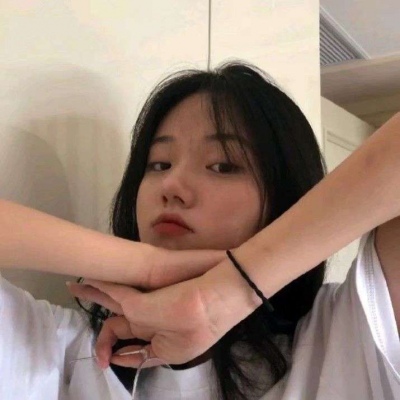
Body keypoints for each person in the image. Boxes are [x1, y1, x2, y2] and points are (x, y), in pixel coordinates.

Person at [0, 61, 398, 400]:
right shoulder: (64, 349)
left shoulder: (346, 335)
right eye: (159, 164)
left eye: (223, 166)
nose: (171, 185)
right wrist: (147, 266)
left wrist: (228, 291)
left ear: (285, 196)